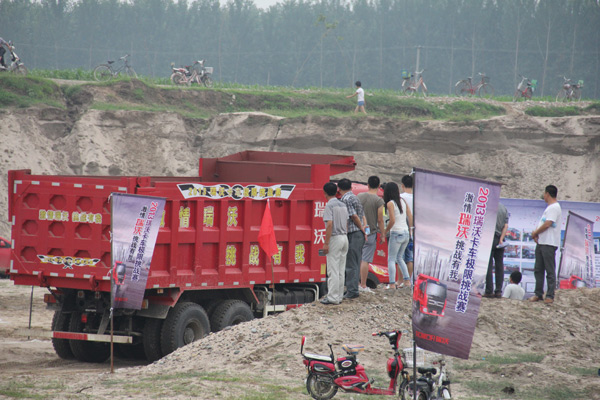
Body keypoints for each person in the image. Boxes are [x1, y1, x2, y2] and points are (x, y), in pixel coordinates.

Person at [529, 185, 562, 305]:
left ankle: (550, 295)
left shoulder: (554, 207)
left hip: (549, 242)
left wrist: (535, 232)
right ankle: (538, 294)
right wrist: (537, 235)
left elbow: (548, 224)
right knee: (538, 269)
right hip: (542, 242)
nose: (544, 196)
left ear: (547, 194)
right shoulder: (549, 208)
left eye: (544, 193)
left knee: (549, 270)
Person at [320, 182, 349, 305]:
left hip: (335, 238)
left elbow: (329, 224)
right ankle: (339, 297)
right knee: (341, 269)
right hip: (344, 237)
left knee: (333, 269)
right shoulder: (343, 204)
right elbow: (347, 222)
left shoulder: (329, 206)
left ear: (325, 193)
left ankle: (332, 297)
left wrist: (326, 243)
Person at [338, 178, 367, 299]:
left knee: (351, 263)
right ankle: (352, 288)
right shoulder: (354, 197)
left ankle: (352, 291)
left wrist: (361, 229)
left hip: (354, 233)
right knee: (355, 261)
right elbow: (361, 214)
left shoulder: (345, 199)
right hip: (357, 234)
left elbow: (353, 216)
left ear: (339, 189)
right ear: (351, 187)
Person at [357, 176, 385, 293]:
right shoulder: (379, 200)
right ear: (379, 186)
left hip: (358, 231)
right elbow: (380, 219)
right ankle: (363, 285)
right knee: (365, 259)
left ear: (368, 185)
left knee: (357, 258)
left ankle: (356, 283)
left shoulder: (359, 196)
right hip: (371, 233)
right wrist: (383, 234)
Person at [383, 182, 413, 289]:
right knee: (400, 258)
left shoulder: (390, 203)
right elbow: (410, 216)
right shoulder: (403, 201)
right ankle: (407, 281)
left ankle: (391, 283)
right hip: (405, 233)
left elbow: (392, 220)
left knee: (391, 259)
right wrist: (410, 230)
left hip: (396, 232)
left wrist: (385, 231)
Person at [483, 202, 509, 298]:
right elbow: (506, 226)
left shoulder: (488, 206)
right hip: (499, 239)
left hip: (489, 237)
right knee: (499, 265)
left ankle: (489, 291)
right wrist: (501, 239)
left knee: (488, 265)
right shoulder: (504, 208)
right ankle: (498, 291)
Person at [400, 175, 414, 281]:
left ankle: (400, 281)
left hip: (402, 228)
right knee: (410, 259)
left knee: (400, 257)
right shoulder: (416, 198)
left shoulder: (400, 197)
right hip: (413, 231)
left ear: (402, 185)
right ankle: (408, 281)